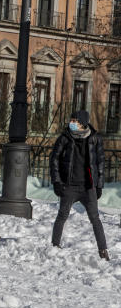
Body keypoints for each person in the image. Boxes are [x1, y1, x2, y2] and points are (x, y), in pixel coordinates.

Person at [50, 110, 108, 260]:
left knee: (95, 219)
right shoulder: (65, 138)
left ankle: (103, 251)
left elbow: (100, 163)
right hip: (69, 186)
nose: (72, 123)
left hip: (88, 187)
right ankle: (54, 246)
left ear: (83, 123)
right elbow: (54, 159)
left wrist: (99, 185)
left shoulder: (95, 139)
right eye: (72, 120)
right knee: (62, 215)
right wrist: (57, 182)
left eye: (75, 120)